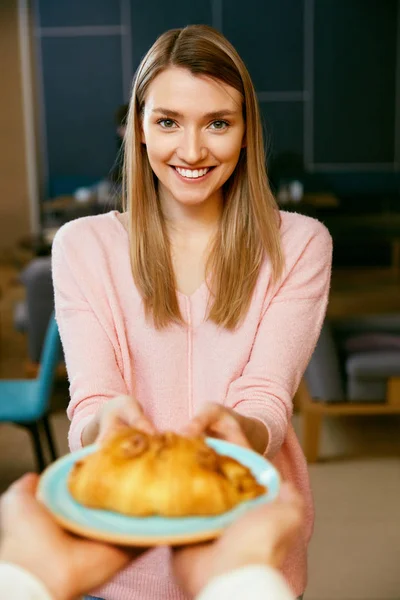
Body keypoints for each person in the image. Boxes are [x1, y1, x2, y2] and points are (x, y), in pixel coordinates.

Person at [51, 23, 332, 600]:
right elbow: (93, 400)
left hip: (250, 552)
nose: (193, 151)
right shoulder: (82, 246)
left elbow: (266, 395)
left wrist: (242, 430)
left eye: (218, 124)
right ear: (139, 128)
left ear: (247, 130)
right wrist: (106, 428)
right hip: (123, 556)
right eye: (168, 122)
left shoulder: (300, 243)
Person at [0, 474, 302, 600]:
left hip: (235, 523)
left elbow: (267, 395)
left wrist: (29, 574)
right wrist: (241, 578)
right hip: (116, 574)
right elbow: (89, 401)